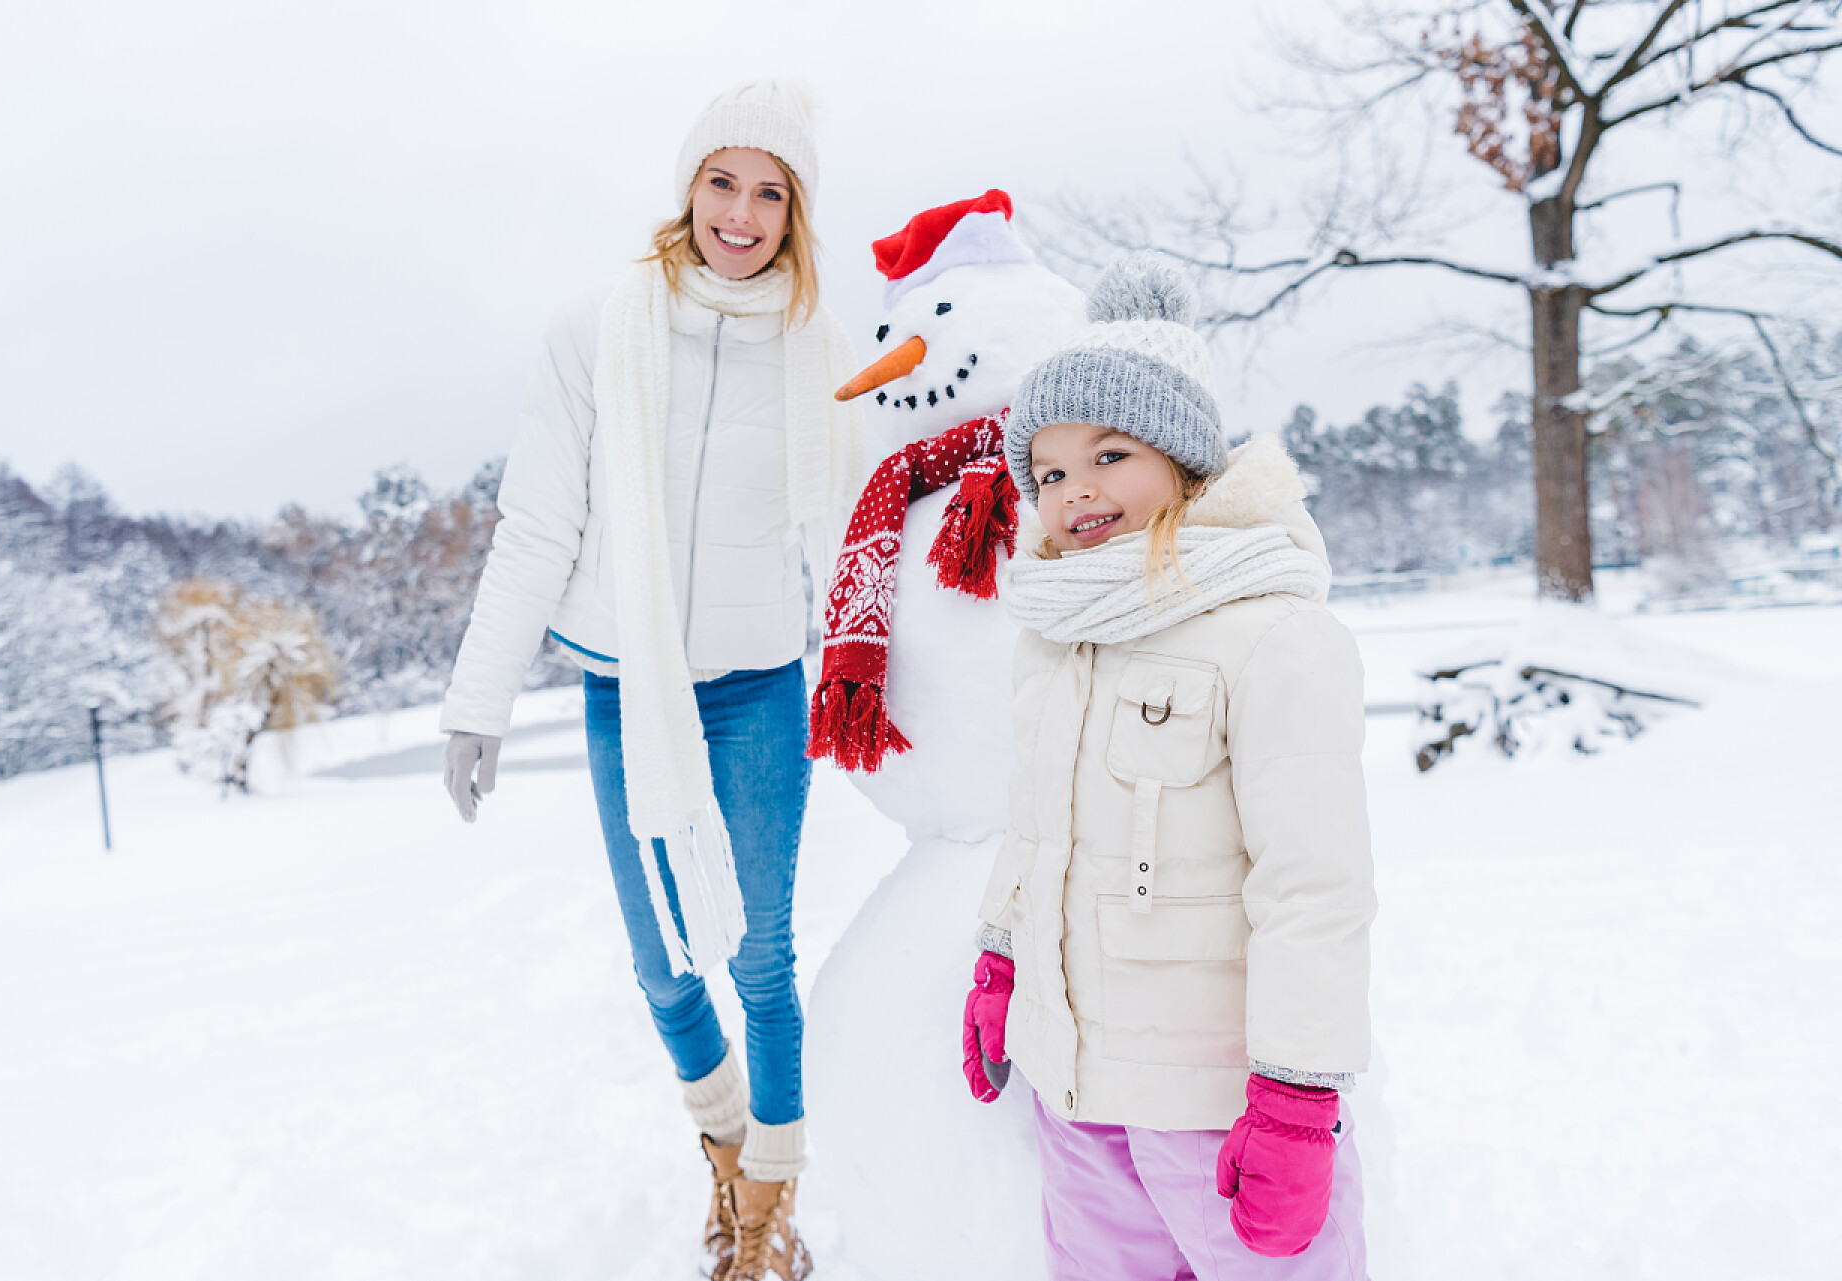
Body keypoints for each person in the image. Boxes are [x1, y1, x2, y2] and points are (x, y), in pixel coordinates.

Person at [438, 80, 864, 1281]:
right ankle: (725, 1153)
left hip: (758, 681)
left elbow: (857, 530)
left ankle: (771, 1208)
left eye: (770, 192)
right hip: (626, 688)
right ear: (689, 187)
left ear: (796, 213)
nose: (742, 212)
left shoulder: (819, 345)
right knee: (665, 966)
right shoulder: (598, 327)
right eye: (723, 182)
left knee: (761, 958)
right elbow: (537, 526)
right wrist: (478, 700)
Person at [961, 253, 1376, 1279]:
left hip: (1217, 1110)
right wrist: (1002, 956)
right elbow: (1038, 829)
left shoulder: (1271, 634)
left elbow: (1314, 890)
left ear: (1187, 460)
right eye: (1049, 471)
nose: (1075, 490)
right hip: (1078, 1100)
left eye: (1109, 454)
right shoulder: (1058, 636)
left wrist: (1296, 1092)